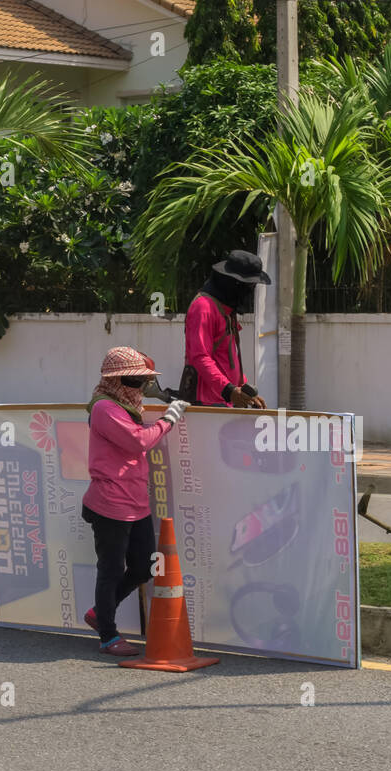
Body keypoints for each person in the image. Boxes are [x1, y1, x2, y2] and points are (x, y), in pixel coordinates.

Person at [82, 346, 189, 656]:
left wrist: (162, 398)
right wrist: (168, 419)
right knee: (111, 570)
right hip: (110, 504)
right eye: (136, 381)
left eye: (143, 382)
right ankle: (108, 635)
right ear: (119, 382)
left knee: (144, 568)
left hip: (135, 502)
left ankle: (99, 613)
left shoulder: (126, 406)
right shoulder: (104, 408)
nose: (141, 387)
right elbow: (137, 441)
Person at [181, 250, 270, 409]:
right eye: (249, 285)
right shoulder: (204, 307)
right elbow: (200, 356)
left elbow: (228, 359)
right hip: (206, 404)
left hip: (224, 401)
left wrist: (244, 390)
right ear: (234, 284)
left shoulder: (226, 310)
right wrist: (229, 391)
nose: (250, 290)